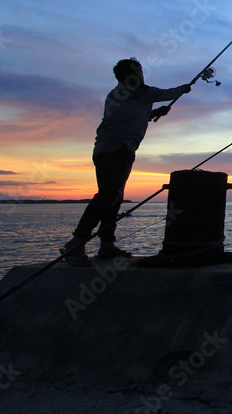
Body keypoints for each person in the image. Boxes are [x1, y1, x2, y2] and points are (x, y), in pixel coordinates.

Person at [61, 58, 191, 266]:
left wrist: (155, 113)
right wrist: (185, 87)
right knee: (108, 196)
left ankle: (106, 245)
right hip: (119, 150)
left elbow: (132, 114)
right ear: (131, 74)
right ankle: (75, 244)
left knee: (113, 197)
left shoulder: (118, 94)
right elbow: (169, 93)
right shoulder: (143, 92)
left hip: (105, 150)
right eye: (138, 70)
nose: (141, 73)